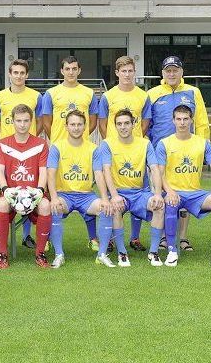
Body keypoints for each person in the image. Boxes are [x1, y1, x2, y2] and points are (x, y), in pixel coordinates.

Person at [147, 55, 210, 252]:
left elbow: (200, 122)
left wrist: (202, 151)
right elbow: (147, 124)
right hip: (160, 154)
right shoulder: (152, 93)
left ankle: (183, 238)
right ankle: (166, 237)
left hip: (187, 154)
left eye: (175, 70)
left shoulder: (193, 91)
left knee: (186, 196)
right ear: (163, 73)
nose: (171, 73)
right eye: (168, 70)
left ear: (182, 72)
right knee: (164, 196)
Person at [157, 105, 211, 266]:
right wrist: (168, 191)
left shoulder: (202, 143)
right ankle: (172, 251)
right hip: (174, 192)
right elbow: (159, 173)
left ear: (191, 120)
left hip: (196, 194)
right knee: (171, 203)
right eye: (178, 119)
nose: (182, 123)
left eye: (185, 119)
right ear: (173, 120)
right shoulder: (164, 143)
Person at [42, 55, 99, 251]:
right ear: (62, 71)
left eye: (74, 68)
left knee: (84, 189)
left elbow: (92, 120)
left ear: (79, 70)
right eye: (67, 68)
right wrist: (58, 139)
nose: (71, 72)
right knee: (53, 194)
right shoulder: (51, 93)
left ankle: (93, 238)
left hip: (81, 150)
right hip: (59, 149)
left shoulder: (89, 93)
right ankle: (49, 237)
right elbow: (46, 121)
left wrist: (79, 137)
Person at [99, 109, 165, 267]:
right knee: (115, 209)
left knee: (159, 206)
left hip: (140, 193)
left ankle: (154, 252)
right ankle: (122, 252)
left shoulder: (145, 143)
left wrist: (157, 193)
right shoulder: (107, 143)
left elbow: (155, 168)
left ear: (134, 124)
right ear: (115, 126)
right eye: (119, 124)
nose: (123, 127)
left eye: (126, 123)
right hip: (118, 192)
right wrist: (114, 195)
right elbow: (106, 170)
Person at [98, 56, 151, 252]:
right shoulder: (108, 96)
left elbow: (145, 122)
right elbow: (103, 123)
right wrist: (111, 143)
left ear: (134, 72)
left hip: (137, 152)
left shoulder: (143, 96)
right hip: (114, 153)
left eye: (130, 71)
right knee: (114, 195)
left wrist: (136, 141)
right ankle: (112, 237)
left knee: (139, 192)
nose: (127, 74)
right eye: (123, 71)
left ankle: (135, 238)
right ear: (117, 73)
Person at [48, 110, 113, 268]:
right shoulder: (57, 147)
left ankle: (102, 254)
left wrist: (104, 198)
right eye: (72, 124)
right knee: (55, 208)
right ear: (66, 126)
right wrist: (54, 197)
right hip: (64, 195)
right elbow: (50, 175)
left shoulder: (93, 149)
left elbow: (98, 174)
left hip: (86, 196)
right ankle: (59, 254)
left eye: (79, 124)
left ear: (85, 127)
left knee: (105, 208)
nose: (76, 128)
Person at [0, 58, 43, 249]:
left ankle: (26, 235)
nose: (19, 76)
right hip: (7, 151)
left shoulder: (36, 96)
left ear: (26, 75)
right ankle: (1, 235)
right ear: (10, 74)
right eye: (15, 73)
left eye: (22, 73)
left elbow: (44, 121)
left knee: (30, 190)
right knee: (5, 192)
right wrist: (4, 136)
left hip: (30, 150)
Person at [0, 104, 51, 268]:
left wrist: (39, 191)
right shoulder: (3, 144)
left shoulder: (40, 144)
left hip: (34, 192)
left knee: (46, 205)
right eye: (18, 120)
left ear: (31, 121)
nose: (22, 124)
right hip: (11, 192)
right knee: (2, 203)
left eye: (26, 120)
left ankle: (40, 253)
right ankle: (3, 254)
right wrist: (6, 190)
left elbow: (43, 172)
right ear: (12, 121)